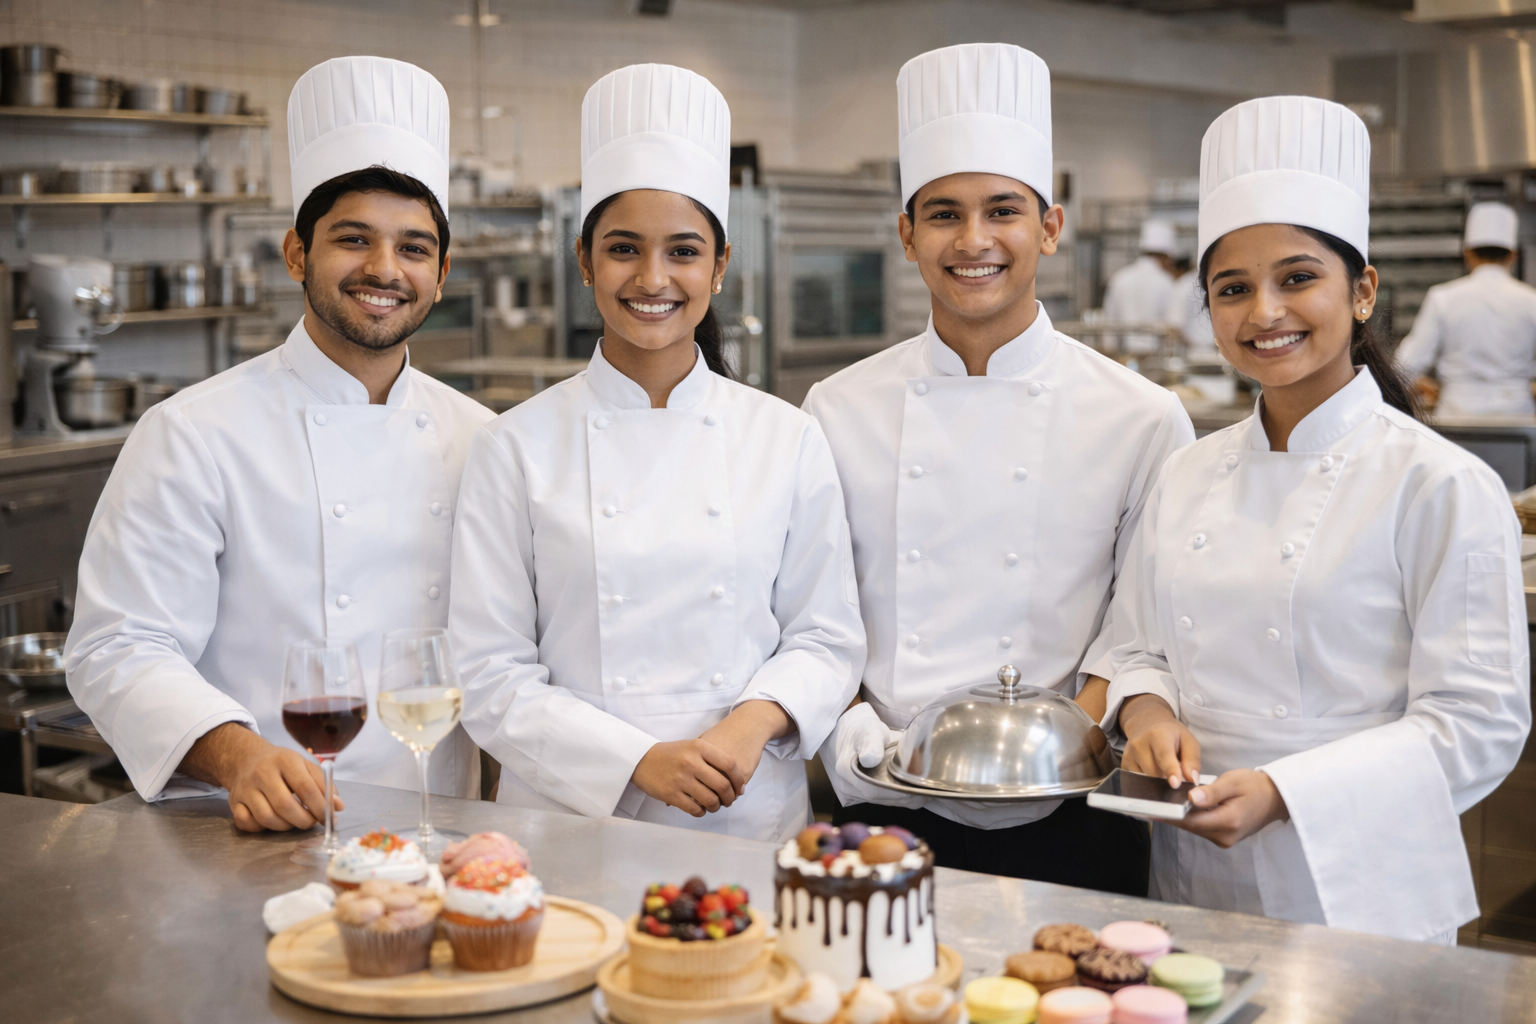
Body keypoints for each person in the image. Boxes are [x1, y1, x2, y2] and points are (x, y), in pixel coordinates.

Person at [1104, 96, 1530, 942]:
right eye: (1232, 289)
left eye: (1297, 278)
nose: (1264, 312)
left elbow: (1478, 723)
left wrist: (1284, 793)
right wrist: (1147, 717)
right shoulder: (1187, 471)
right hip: (1192, 877)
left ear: (1362, 291)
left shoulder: (1438, 484)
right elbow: (1133, 649)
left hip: (1362, 892)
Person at [64, 57, 494, 831]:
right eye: (353, 239)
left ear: (441, 273)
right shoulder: (194, 432)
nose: (383, 270)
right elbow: (118, 646)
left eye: (414, 248)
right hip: (247, 833)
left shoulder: (482, 438)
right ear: (297, 254)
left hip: (437, 830)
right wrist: (237, 755)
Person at [805, 43, 1193, 895]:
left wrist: (1064, 737)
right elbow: (814, 609)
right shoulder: (835, 409)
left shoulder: (1140, 415)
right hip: (883, 800)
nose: (973, 240)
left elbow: (1142, 629)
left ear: (1050, 227)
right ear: (906, 235)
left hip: (1075, 808)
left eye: (1003, 211)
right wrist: (853, 733)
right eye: (942, 214)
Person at [450, 64, 864, 843]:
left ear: (720, 266)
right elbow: (489, 675)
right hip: (570, 825)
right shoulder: (515, 446)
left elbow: (826, 635)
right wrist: (636, 760)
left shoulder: (786, 436)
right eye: (623, 250)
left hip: (743, 811)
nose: (652, 279)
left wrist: (747, 727)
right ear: (584, 261)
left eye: (682, 251)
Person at [1396, 201, 1536, 416]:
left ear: (1468, 254)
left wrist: (1418, 385)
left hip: (1457, 414)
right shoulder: (1530, 300)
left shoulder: (1442, 297)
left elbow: (1405, 368)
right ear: (1512, 256)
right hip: (1517, 416)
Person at [1104, 219, 1178, 353]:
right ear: (1166, 256)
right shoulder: (1165, 282)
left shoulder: (1120, 278)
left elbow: (1109, 322)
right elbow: (1171, 326)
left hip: (1124, 356)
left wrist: (1112, 355)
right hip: (1155, 358)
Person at [1163, 255, 1217, 354]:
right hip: (1218, 352)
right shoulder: (1221, 282)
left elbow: (1173, 325)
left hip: (1190, 351)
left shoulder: (1182, 284)